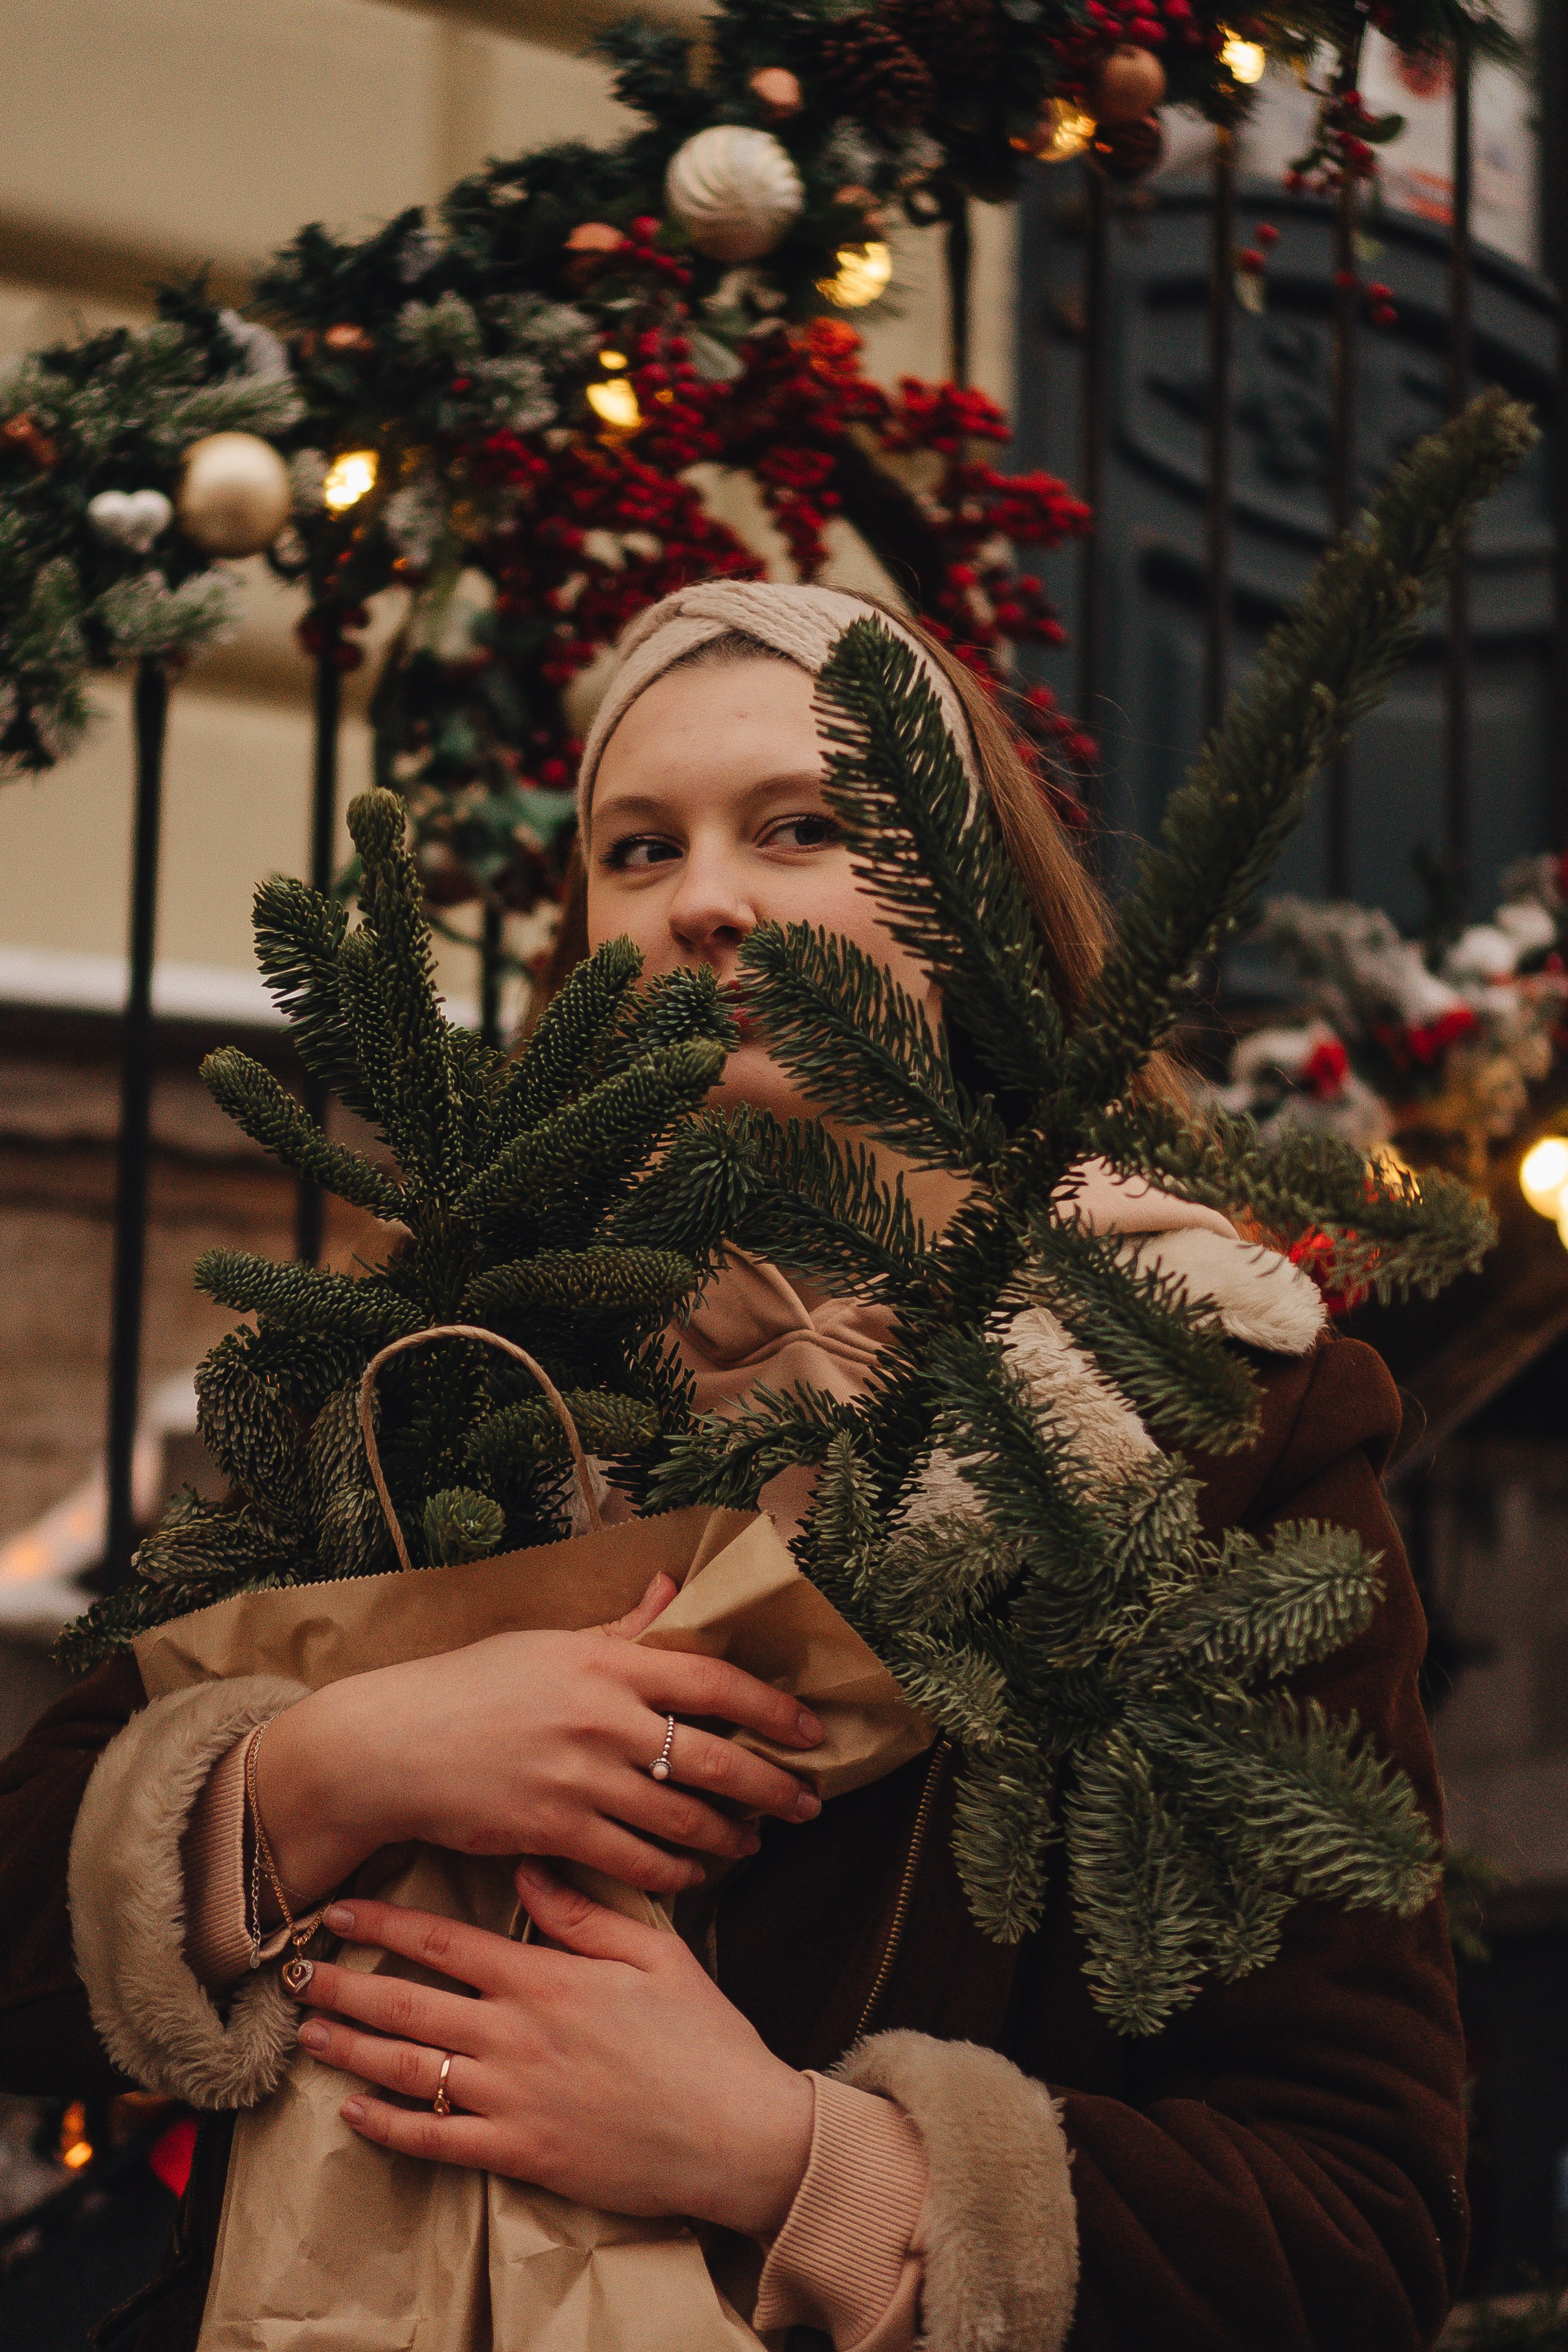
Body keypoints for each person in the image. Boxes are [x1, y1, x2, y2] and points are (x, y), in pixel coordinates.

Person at [0, 582, 1467, 2352]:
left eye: (804, 827)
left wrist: (788, 2158)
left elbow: (1357, 2226)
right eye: (638, 850)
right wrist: (338, 1761)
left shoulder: (1210, 1416)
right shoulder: (441, 1361)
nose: (707, 900)